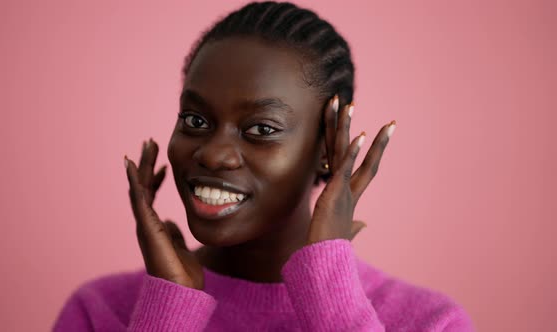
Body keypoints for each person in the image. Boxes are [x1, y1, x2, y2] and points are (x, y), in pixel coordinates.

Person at [53, 1, 474, 331]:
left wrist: (330, 299)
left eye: (261, 128)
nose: (214, 154)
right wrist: (169, 310)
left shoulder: (429, 322)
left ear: (329, 147)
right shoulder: (100, 311)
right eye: (195, 121)